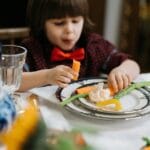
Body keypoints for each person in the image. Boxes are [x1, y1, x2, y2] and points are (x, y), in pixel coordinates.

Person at [19, 0, 140, 93]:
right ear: (41, 23)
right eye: (59, 23)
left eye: (76, 21)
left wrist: (122, 71)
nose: (70, 30)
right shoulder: (31, 49)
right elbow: (10, 81)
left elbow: (132, 65)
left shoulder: (93, 46)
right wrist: (46, 76)